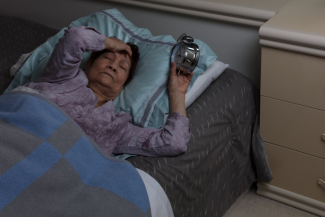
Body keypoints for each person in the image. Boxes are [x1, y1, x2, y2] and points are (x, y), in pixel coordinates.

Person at [24, 26, 192, 157]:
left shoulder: (117, 127)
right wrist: (112, 43)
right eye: (107, 58)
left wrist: (177, 94)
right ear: (89, 64)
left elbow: (172, 143)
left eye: (122, 67)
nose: (113, 66)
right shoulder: (61, 77)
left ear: (123, 86)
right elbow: (76, 37)